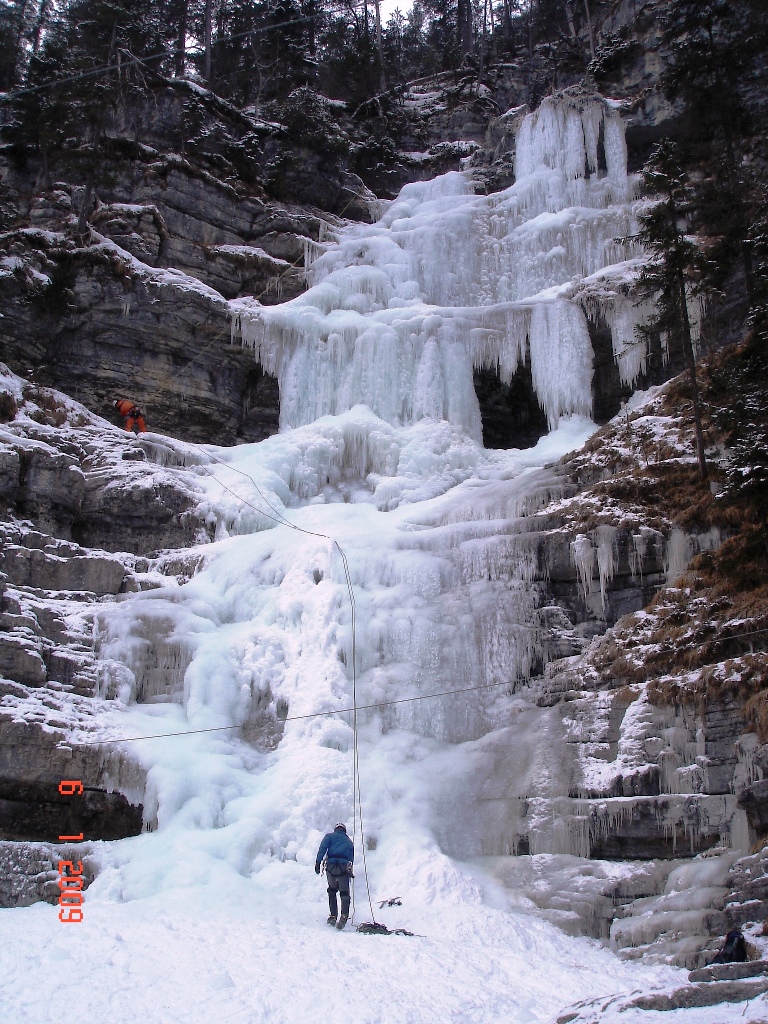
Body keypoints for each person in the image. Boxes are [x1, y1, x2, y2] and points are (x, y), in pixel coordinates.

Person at [315, 823, 354, 930]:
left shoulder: (329, 836)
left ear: (336, 829)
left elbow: (322, 848)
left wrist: (318, 862)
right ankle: (344, 916)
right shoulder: (349, 842)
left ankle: (333, 916)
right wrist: (350, 873)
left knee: (332, 891)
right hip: (343, 868)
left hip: (331, 867)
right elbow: (351, 859)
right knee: (344, 893)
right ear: (344, 831)